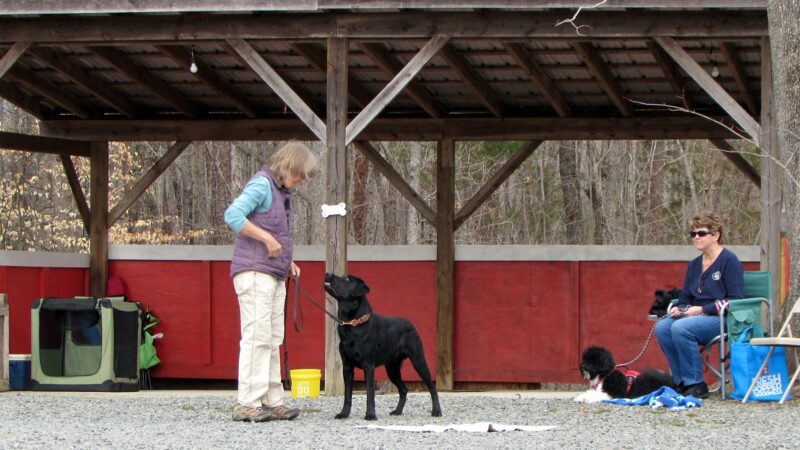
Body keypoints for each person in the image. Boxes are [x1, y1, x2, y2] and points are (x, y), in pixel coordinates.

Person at [224, 142, 318, 422]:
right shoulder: (261, 185)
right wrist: (266, 239)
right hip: (254, 273)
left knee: (273, 338)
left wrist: (287, 261)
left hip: (273, 273)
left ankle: (271, 400)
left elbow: (275, 231)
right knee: (257, 337)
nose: (302, 180)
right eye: (301, 174)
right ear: (289, 166)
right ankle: (247, 402)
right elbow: (233, 215)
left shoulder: (280, 192)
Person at [655, 211, 744, 399]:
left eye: (701, 233)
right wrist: (680, 308)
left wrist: (702, 309)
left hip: (722, 319)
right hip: (695, 317)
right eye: (693, 233)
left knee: (681, 328)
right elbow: (686, 297)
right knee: (662, 327)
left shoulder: (729, 261)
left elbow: (735, 301)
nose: (696, 237)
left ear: (716, 235)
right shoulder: (694, 264)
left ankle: (696, 383)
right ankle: (680, 382)